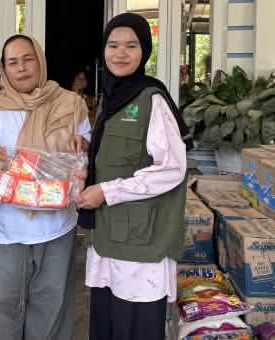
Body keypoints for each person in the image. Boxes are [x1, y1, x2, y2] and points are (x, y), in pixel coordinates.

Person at [76, 13, 191, 340]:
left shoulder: (151, 98)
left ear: (145, 52)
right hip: (109, 235)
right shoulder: (112, 97)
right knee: (107, 322)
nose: (120, 53)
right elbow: (115, 155)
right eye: (112, 45)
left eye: (131, 45)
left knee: (135, 325)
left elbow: (172, 169)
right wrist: (87, 146)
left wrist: (107, 192)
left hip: (141, 240)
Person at [0, 34, 90, 340]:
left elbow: (85, 156)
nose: (21, 68)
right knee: (1, 309)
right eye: (13, 62)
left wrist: (82, 144)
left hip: (57, 225)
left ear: (40, 61)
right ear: (4, 69)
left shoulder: (70, 103)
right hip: (6, 228)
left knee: (51, 309)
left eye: (28, 59)